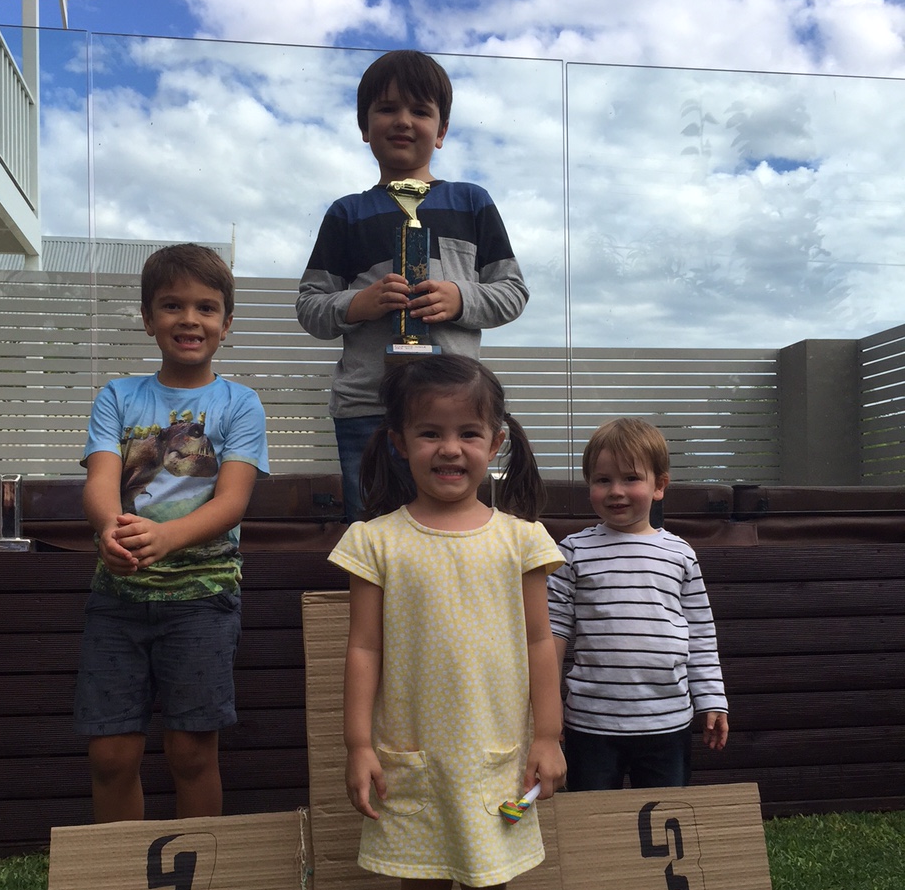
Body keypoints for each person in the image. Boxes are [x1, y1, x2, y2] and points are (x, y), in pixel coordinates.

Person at [329, 355, 566, 890]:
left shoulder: (522, 538)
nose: (450, 448)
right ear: (399, 442)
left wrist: (548, 736)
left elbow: (541, 642)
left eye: (468, 431)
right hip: (415, 756)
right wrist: (358, 744)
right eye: (430, 432)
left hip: (498, 758)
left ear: (496, 441)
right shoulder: (375, 540)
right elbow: (363, 648)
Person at [73, 244, 269, 823]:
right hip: (117, 599)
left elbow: (232, 502)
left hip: (203, 601)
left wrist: (167, 538)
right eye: (172, 305)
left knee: (192, 753)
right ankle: (123, 873)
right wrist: (109, 530)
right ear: (147, 318)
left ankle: (198, 870)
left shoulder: (240, 403)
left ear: (226, 323)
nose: (190, 319)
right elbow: (100, 483)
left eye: (206, 308)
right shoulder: (117, 396)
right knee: (110, 755)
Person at [296, 49, 529, 522]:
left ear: (441, 131)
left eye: (420, 111)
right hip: (368, 409)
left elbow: (512, 292)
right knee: (373, 538)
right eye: (387, 108)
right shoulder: (346, 214)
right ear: (364, 126)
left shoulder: (472, 202)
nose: (403, 120)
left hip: (455, 412)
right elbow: (310, 307)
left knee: (456, 533)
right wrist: (359, 304)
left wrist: (460, 298)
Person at [548, 418, 728, 792]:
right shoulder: (573, 551)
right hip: (591, 722)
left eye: (631, 478)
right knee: (594, 818)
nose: (616, 491)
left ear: (659, 485)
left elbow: (700, 633)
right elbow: (553, 633)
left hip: (667, 721)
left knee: (665, 816)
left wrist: (712, 698)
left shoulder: (680, 554)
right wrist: (548, 710)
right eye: (602, 480)